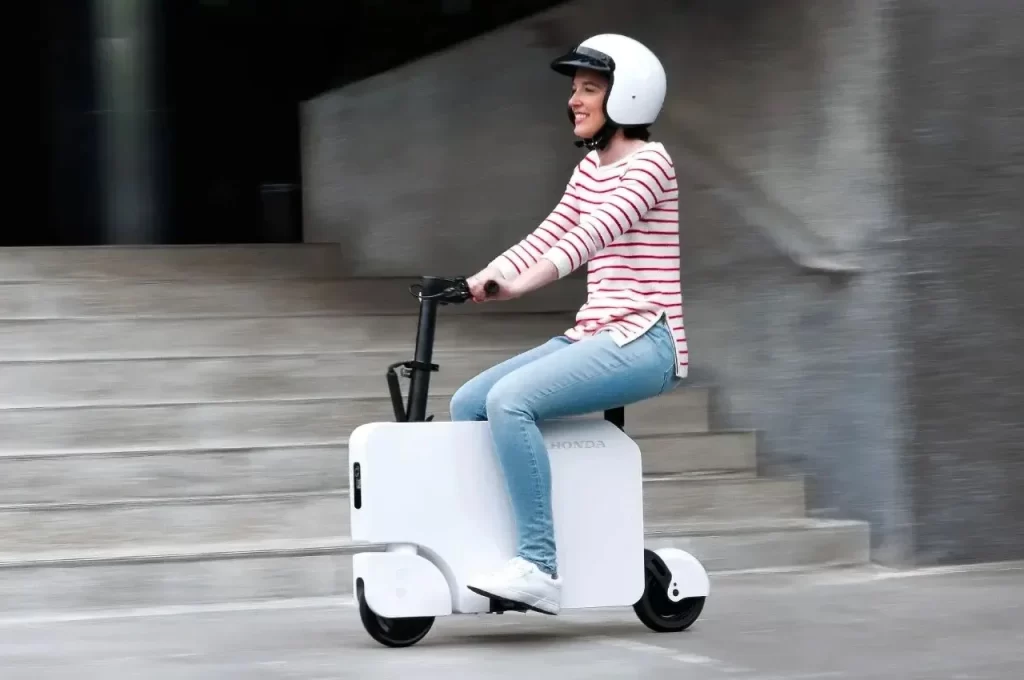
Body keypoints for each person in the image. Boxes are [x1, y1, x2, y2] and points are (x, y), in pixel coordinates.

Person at [450, 34, 687, 615]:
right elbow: (550, 232)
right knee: (468, 403)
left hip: (646, 340)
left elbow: (593, 235)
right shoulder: (589, 168)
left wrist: (521, 285)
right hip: (594, 335)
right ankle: (508, 551)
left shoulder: (651, 164)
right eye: (574, 90)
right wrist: (478, 278)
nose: (574, 101)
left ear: (628, 96)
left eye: (589, 89)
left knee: (510, 401)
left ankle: (540, 566)